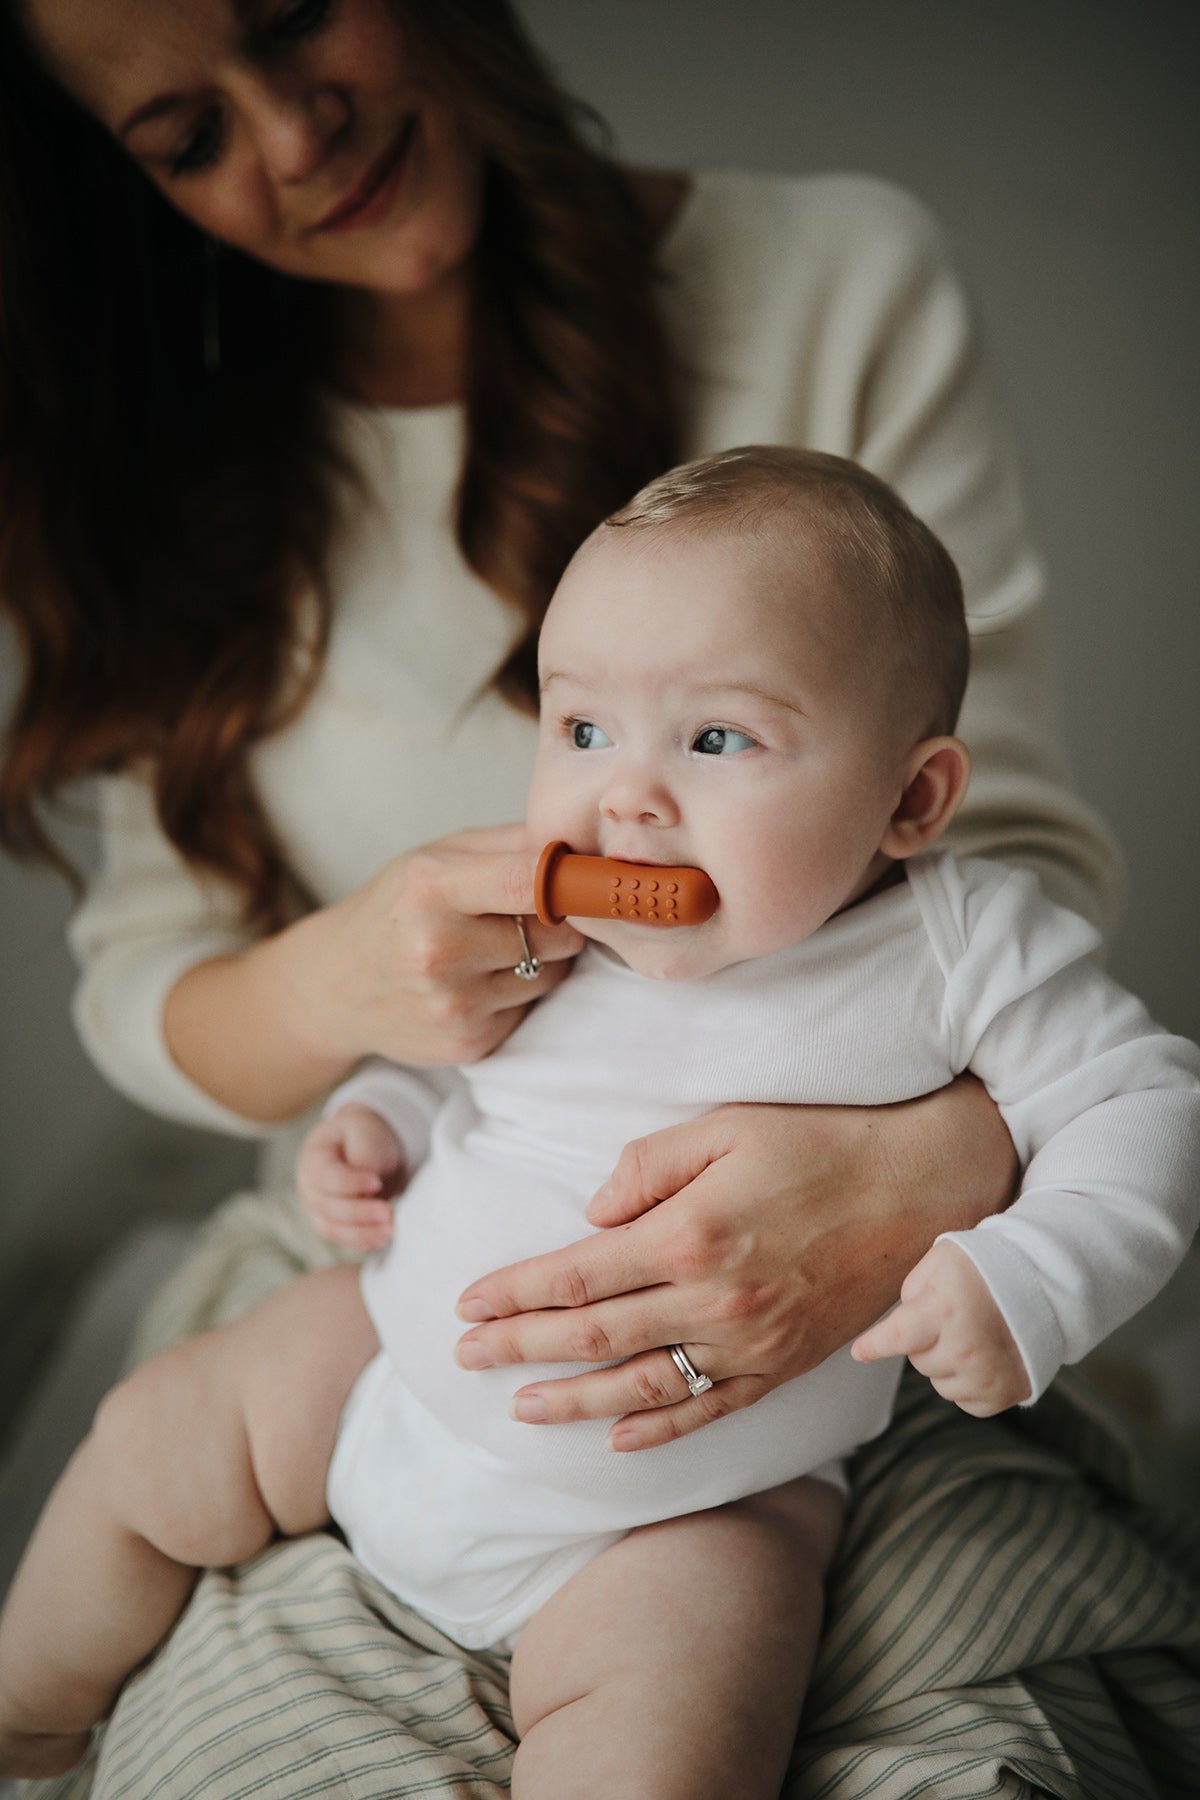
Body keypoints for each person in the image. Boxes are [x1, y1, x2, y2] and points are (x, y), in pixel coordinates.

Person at [2, 2, 1195, 1795]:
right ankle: (24, 1719)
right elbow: (478, 1072)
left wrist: (1011, 1257)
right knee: (155, 1432)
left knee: (681, 1731)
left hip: (687, 1496)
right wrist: (378, 1106)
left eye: (717, 734)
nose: (623, 789)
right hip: (397, 1351)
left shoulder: (962, 935)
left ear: (909, 800)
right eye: (576, 726)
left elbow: (1145, 1105)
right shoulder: (569, 914)